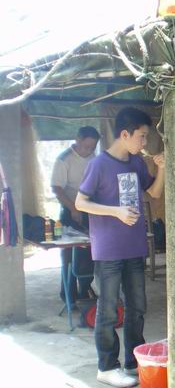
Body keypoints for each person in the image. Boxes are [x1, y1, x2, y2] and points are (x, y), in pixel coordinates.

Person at [75, 107, 165, 388]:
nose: (145, 142)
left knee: (137, 308)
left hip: (134, 247)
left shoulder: (137, 162)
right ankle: (107, 366)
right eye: (142, 136)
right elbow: (80, 202)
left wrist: (162, 169)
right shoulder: (99, 164)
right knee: (109, 310)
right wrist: (115, 211)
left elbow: (154, 192)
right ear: (125, 134)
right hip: (109, 251)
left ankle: (133, 362)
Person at [51, 126, 100, 303]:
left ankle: (84, 291)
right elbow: (57, 188)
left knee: (89, 254)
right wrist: (73, 208)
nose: (89, 150)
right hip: (69, 211)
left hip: (90, 210)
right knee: (69, 256)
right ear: (77, 140)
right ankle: (68, 296)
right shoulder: (64, 159)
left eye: (92, 147)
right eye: (86, 146)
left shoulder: (94, 158)